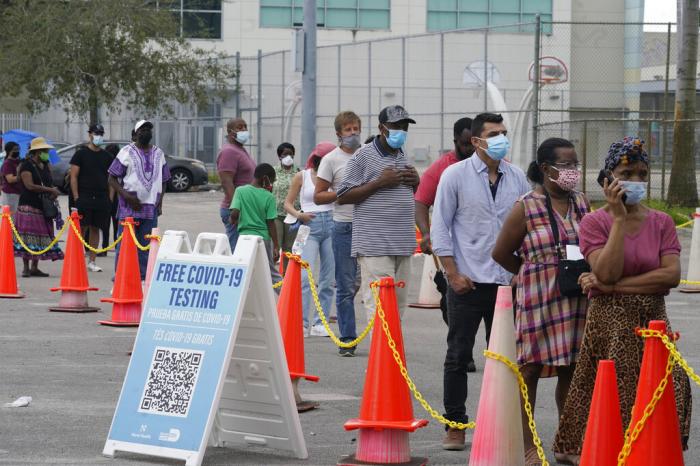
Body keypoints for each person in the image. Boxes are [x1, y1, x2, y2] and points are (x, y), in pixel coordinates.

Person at [552, 137, 692, 465]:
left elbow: (670, 276)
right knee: (611, 389)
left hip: (653, 321)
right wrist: (617, 219)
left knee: (662, 386)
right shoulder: (594, 223)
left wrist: (612, 287)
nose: (637, 180)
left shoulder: (662, 222)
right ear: (609, 178)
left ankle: (648, 446)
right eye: (628, 172)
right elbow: (606, 269)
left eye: (643, 173)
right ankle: (600, 448)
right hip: (609, 323)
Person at [431, 112, 530, 450]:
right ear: (476, 140)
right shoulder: (454, 176)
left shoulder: (517, 177)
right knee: (458, 355)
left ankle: (507, 426)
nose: (502, 138)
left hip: (508, 285)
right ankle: (455, 425)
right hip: (467, 283)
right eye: (494, 133)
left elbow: (530, 225)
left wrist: (521, 272)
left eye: (504, 132)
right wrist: (453, 274)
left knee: (507, 359)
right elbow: (440, 227)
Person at [491, 138, 589, 465]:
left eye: (575, 164)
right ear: (546, 169)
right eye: (566, 165)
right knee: (530, 369)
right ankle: (528, 444)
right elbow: (501, 252)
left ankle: (568, 440)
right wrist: (529, 272)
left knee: (572, 369)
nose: (573, 171)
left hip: (574, 296)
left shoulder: (582, 204)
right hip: (537, 296)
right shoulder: (526, 206)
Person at [336, 105, 420, 325]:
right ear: (382, 128)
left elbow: (404, 194)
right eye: (396, 126)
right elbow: (343, 195)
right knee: (380, 305)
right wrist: (379, 183)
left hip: (402, 243)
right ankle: (381, 357)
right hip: (375, 245)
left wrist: (416, 182)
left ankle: (391, 355)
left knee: (398, 306)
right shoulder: (362, 156)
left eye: (404, 127)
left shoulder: (402, 154)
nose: (401, 131)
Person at [415, 117, 474, 334]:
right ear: (455, 141)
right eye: (464, 144)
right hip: (451, 245)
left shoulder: (491, 164)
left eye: (473, 143)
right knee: (454, 297)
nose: (469, 148)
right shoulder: (441, 167)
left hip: (481, 243)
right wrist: (426, 234)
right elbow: (420, 202)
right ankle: (461, 348)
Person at [314, 110, 364, 356]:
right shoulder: (331, 160)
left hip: (370, 226)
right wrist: (341, 193)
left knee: (372, 284)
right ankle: (347, 338)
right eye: (348, 130)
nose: (353, 133)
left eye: (356, 129)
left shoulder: (369, 156)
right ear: (338, 134)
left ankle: (381, 337)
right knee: (345, 285)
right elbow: (318, 195)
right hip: (344, 226)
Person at [285, 142, 336, 337]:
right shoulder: (302, 176)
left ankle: (319, 323)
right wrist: (299, 215)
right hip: (308, 224)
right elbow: (287, 203)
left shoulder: (333, 175)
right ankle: (302, 323)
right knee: (305, 277)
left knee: (328, 278)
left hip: (331, 224)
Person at [108, 120, 170, 280]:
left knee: (146, 247)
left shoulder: (159, 153)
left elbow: (164, 180)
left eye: (149, 129)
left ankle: (143, 279)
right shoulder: (126, 152)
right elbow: (112, 178)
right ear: (134, 134)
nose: (146, 132)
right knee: (125, 246)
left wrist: (160, 202)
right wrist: (127, 196)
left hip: (150, 209)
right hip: (129, 208)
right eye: (142, 129)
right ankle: (120, 278)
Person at [13, 137, 64, 276]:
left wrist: (53, 190)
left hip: (43, 205)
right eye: (44, 151)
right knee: (27, 237)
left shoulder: (46, 165)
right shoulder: (26, 166)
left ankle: (35, 267)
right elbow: (29, 185)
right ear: (37, 152)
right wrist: (50, 190)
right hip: (28, 206)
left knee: (40, 237)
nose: (46, 153)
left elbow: (48, 182)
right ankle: (26, 267)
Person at [230, 163, 282, 285]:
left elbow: (235, 212)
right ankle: (287, 298)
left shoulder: (240, 191)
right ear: (265, 178)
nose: (271, 184)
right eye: (271, 180)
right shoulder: (269, 197)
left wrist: (233, 219)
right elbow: (271, 223)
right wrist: (275, 245)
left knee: (243, 270)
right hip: (262, 239)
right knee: (271, 272)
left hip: (245, 238)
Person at [69, 124, 113, 272]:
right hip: (84, 196)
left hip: (101, 197)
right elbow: (73, 176)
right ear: (90, 134)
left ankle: (92, 261)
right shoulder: (81, 154)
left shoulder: (107, 156)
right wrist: (76, 197)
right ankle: (77, 258)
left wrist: (110, 198)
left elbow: (111, 178)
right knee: (82, 227)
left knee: (96, 228)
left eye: (101, 133)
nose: (98, 135)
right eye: (96, 133)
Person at [217, 118, 256, 252]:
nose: (244, 130)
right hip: (235, 210)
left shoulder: (240, 150)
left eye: (245, 127)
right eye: (240, 127)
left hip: (246, 209)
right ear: (230, 132)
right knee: (238, 252)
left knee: (245, 251)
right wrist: (236, 207)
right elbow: (226, 181)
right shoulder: (229, 152)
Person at [273, 142, 299, 272]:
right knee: (276, 246)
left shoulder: (299, 172)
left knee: (289, 248)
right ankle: (273, 276)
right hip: (276, 214)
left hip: (293, 215)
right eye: (285, 154)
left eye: (290, 154)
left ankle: (286, 277)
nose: (288, 157)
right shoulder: (274, 172)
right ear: (279, 156)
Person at [100, 144, 120, 253]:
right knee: (117, 225)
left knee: (105, 225)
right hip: (117, 199)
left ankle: (104, 248)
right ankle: (117, 247)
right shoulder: (118, 163)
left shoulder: (105, 163)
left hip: (106, 197)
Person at [1, 141, 22, 213]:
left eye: (18, 149)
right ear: (9, 151)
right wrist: (21, 175)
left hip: (18, 193)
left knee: (16, 217)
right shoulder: (7, 163)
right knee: (11, 217)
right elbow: (10, 179)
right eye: (15, 149)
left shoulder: (18, 161)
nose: (18, 151)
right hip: (10, 194)